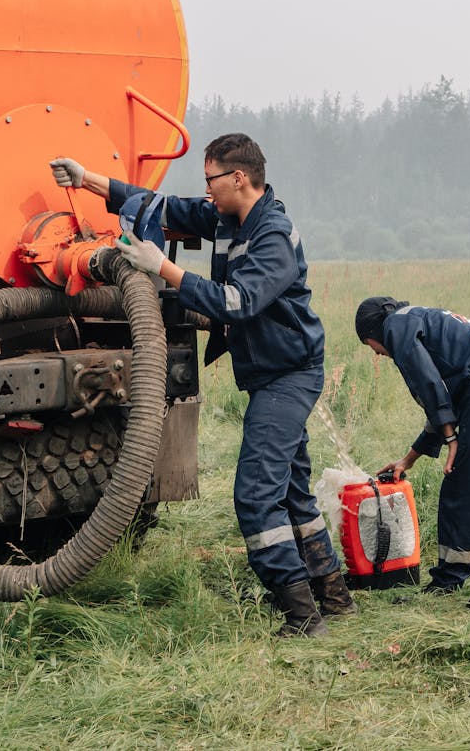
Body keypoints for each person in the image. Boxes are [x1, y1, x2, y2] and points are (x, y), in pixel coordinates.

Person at [50, 134, 354, 636]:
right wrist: (87, 179)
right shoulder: (228, 216)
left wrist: (163, 268)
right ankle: (333, 595)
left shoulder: (272, 234)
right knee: (293, 491)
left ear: (239, 178)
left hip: (288, 377)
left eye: (211, 179)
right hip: (269, 375)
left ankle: (301, 616)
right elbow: (162, 206)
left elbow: (237, 302)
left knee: (256, 496)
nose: (206, 191)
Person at [355, 298, 470, 593]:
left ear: (372, 334)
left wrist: (451, 438)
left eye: (371, 347)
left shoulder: (396, 324)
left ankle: (447, 582)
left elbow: (428, 383)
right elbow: (448, 402)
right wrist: (409, 459)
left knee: (464, 484)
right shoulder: (427, 320)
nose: (379, 354)